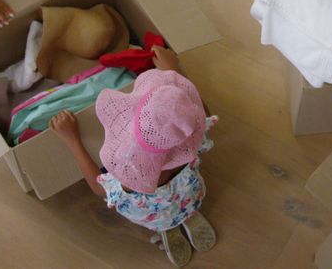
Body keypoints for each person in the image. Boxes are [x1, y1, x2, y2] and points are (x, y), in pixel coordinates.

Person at [50, 46, 218, 267]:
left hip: (152, 215)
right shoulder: (191, 139)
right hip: (189, 195)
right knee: (184, 205)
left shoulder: (131, 171)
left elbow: (100, 189)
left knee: (160, 217)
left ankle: (167, 228)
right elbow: (201, 114)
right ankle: (188, 214)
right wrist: (173, 71)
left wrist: (73, 141)